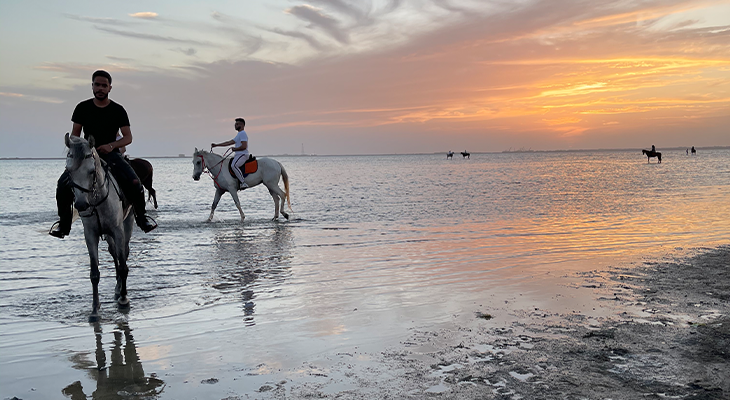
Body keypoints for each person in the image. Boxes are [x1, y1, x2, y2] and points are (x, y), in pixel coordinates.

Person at [49, 70, 157, 238]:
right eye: (97, 85)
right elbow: (75, 135)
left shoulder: (118, 110)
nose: (100, 88)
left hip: (111, 155)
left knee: (135, 182)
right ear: (92, 86)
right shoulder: (82, 108)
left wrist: (111, 145)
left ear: (110, 88)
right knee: (62, 186)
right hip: (87, 156)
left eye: (104, 85)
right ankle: (63, 225)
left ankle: (142, 219)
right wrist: (78, 149)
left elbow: (128, 137)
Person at [211, 117, 249, 189]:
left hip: (243, 154)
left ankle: (243, 182)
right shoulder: (239, 134)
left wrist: (235, 149)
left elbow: (244, 146)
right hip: (238, 155)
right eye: (235, 124)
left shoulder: (243, 134)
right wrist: (216, 145)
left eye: (237, 124)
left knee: (233, 165)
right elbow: (228, 142)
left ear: (242, 125)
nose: (235, 125)